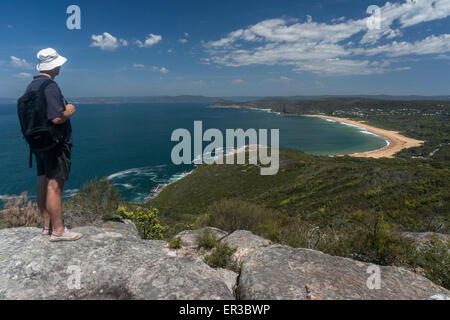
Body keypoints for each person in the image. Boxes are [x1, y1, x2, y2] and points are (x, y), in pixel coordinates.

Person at [24, 48, 82, 242]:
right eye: (59, 64)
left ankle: (47, 225)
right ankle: (58, 230)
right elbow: (57, 117)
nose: (60, 67)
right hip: (56, 144)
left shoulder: (32, 86)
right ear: (54, 65)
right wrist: (69, 111)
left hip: (38, 144)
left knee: (43, 182)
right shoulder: (50, 86)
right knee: (55, 186)